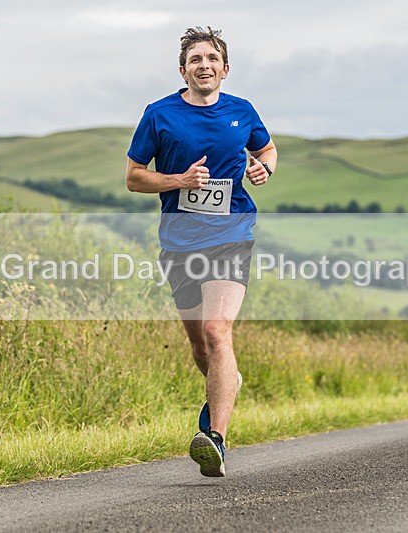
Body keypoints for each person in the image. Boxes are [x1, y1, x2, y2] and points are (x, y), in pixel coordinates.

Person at [125, 26, 277, 476]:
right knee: (200, 346)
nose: (204, 65)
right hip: (179, 243)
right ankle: (226, 378)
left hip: (232, 234)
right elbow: (134, 177)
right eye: (195, 59)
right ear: (183, 70)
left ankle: (215, 439)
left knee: (216, 331)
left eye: (212, 59)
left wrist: (264, 169)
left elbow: (267, 149)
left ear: (225, 69)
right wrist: (179, 181)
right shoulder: (159, 115)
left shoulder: (242, 111)